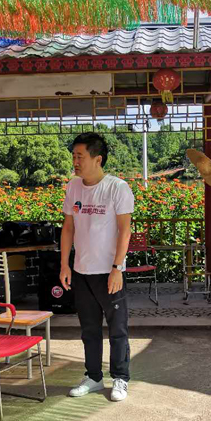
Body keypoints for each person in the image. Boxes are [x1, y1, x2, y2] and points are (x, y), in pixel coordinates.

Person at [60, 133, 133, 402]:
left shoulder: (117, 188)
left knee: (117, 329)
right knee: (89, 330)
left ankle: (120, 378)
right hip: (81, 271)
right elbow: (68, 228)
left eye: (80, 156)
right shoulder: (73, 187)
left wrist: (117, 267)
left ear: (97, 159)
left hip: (109, 271)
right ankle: (93, 377)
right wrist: (64, 265)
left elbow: (125, 230)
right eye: (74, 156)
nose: (75, 161)